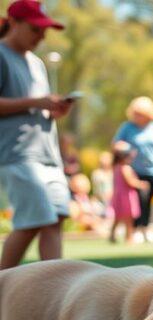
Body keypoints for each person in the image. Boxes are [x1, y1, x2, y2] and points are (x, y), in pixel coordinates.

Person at [0, 0, 72, 270]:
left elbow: (35, 105)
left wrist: (53, 109)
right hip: (17, 154)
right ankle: (3, 284)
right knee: (32, 222)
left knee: (55, 219)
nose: (41, 36)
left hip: (47, 154)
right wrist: (36, 102)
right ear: (14, 23)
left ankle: (54, 292)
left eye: (44, 31)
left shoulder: (37, 64)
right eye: (35, 29)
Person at [113, 96, 153, 243]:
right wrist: (124, 150)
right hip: (133, 171)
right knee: (138, 200)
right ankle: (136, 229)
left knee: (148, 200)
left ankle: (145, 228)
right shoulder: (127, 127)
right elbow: (116, 144)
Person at [109, 141, 146, 244]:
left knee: (118, 218)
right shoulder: (125, 168)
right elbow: (130, 181)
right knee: (129, 219)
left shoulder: (116, 167)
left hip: (118, 196)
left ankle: (112, 235)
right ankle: (129, 237)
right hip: (127, 196)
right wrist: (142, 184)